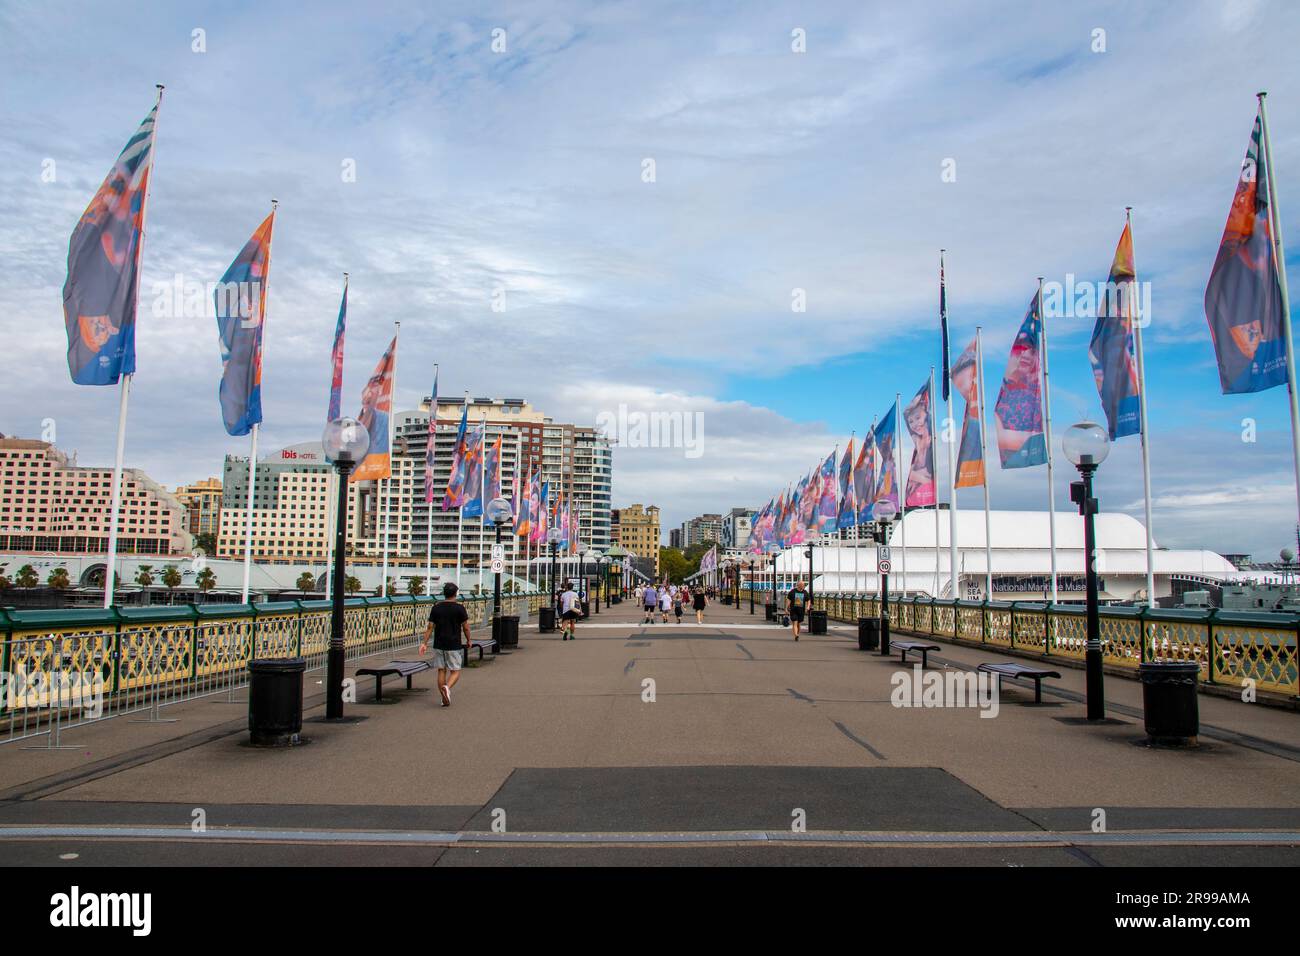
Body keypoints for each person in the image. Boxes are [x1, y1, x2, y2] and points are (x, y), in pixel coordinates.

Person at [419, 581, 470, 706]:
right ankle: (447, 688)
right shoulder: (459, 608)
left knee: (441, 670)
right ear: (455, 594)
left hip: (439, 643)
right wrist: (469, 640)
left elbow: (430, 627)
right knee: (455, 671)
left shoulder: (436, 608)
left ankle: (443, 698)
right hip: (453, 643)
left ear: (444, 594)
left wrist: (424, 643)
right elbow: (466, 627)